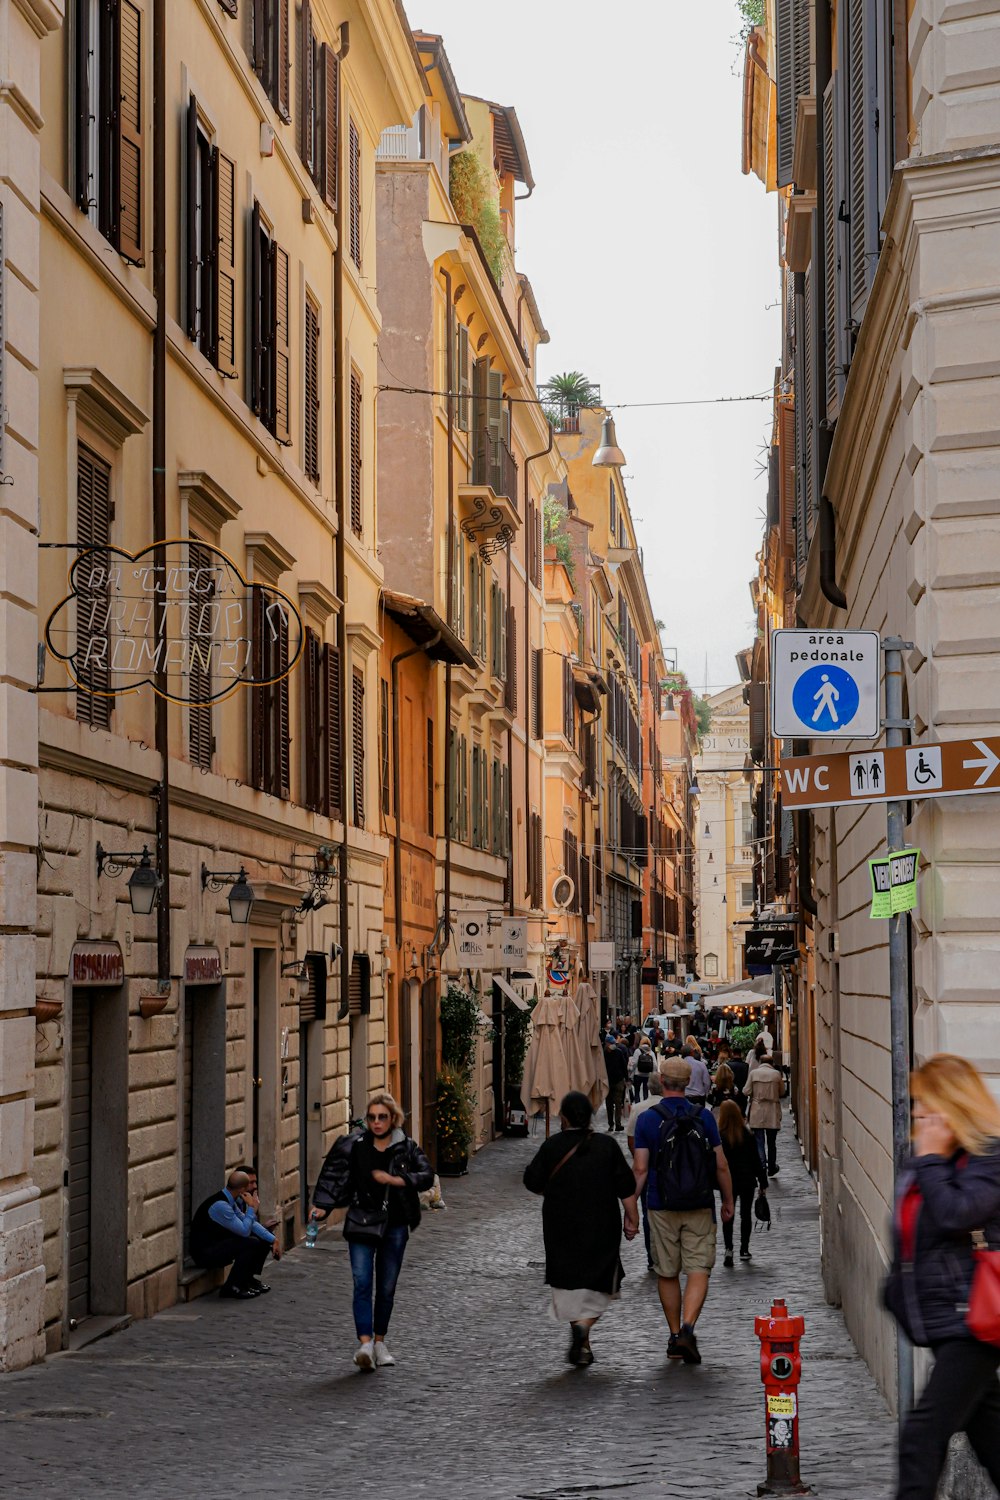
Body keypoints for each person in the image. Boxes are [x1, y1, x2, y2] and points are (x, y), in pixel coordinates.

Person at [883, 1055, 1000, 1500]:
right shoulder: (930, 1162)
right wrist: (895, 1292)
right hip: (950, 1321)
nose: (915, 1113)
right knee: (993, 1443)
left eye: (924, 1103)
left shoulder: (989, 1157)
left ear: (950, 1105)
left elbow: (957, 1214)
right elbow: (911, 1237)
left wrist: (930, 1161)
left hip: (975, 1321)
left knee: (920, 1439)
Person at [310, 1091, 433, 1371]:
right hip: (361, 1222)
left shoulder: (407, 1147)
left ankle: (380, 1342)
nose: (376, 1122)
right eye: (372, 1117)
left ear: (393, 1119)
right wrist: (322, 1208)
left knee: (386, 1288)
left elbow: (427, 1175)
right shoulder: (354, 1146)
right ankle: (364, 1343)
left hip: (396, 1225)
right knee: (362, 1283)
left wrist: (396, 1179)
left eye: (382, 1117)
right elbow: (335, 1179)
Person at [524, 1091, 639, 1367]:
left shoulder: (552, 1147)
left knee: (570, 1282)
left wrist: (551, 1190)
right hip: (601, 1225)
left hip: (559, 1226)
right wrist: (632, 1218)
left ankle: (581, 1338)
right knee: (602, 1283)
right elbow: (626, 1187)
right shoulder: (607, 1146)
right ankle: (584, 1329)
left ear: (563, 1117)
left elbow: (531, 1180)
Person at [632, 1057, 735, 1365]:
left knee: (667, 1271)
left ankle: (675, 1334)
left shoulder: (648, 1120)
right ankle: (689, 1327)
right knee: (698, 1269)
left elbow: (640, 1168)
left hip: (661, 1204)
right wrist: (728, 1201)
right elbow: (720, 1164)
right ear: (689, 1082)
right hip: (700, 1203)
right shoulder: (703, 1117)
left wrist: (630, 1210)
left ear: (662, 1081)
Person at [189, 1169, 281, 1299]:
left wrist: (273, 1240)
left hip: (216, 1245)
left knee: (260, 1238)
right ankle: (232, 1287)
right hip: (204, 1253)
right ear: (242, 1189)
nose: (253, 1187)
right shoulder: (221, 1205)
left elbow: (248, 1223)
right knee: (250, 1242)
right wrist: (251, 1208)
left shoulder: (230, 1201)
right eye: (250, 1184)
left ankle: (246, 1281)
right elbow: (244, 1231)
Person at [718, 1100, 768, 1265]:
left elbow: (716, 1162)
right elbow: (756, 1160)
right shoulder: (747, 1135)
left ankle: (728, 1249)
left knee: (728, 1214)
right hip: (747, 1180)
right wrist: (763, 1182)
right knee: (745, 1215)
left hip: (728, 1181)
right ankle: (744, 1249)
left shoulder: (720, 1137)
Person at [628, 1071, 665, 1270]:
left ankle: (652, 1257)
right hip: (668, 1169)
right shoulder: (670, 1107)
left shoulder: (638, 1109)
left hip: (647, 1168)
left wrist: (639, 1157)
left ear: (649, 1087)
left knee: (648, 1212)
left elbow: (631, 1141)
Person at [746, 1052, 786, 1175]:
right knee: (771, 1142)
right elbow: (782, 1092)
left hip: (757, 1110)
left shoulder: (753, 1074)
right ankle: (772, 1167)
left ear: (760, 1062)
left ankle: (762, 1166)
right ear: (771, 1063)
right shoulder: (776, 1074)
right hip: (772, 1111)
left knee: (759, 1141)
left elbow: (746, 1090)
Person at [603, 1036, 628, 1132]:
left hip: (618, 1081)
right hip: (607, 1082)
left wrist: (626, 1078)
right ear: (607, 1044)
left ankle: (618, 1124)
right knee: (609, 1104)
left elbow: (623, 1066)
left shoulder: (618, 1052)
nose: (613, 1045)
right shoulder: (603, 1054)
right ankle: (611, 1124)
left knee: (618, 1103)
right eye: (611, 1044)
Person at [682, 1042, 712, 1110]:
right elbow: (707, 1082)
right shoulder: (701, 1065)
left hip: (684, 1096)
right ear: (692, 1052)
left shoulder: (679, 1065)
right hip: (699, 1097)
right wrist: (705, 1094)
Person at [629, 1037, 656, 1102]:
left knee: (637, 1092)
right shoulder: (651, 1052)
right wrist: (653, 1074)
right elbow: (655, 1065)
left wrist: (631, 1074)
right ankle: (645, 1106)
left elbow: (634, 1063)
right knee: (645, 1092)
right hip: (647, 1075)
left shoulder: (637, 1051)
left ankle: (637, 1106)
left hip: (638, 1074)